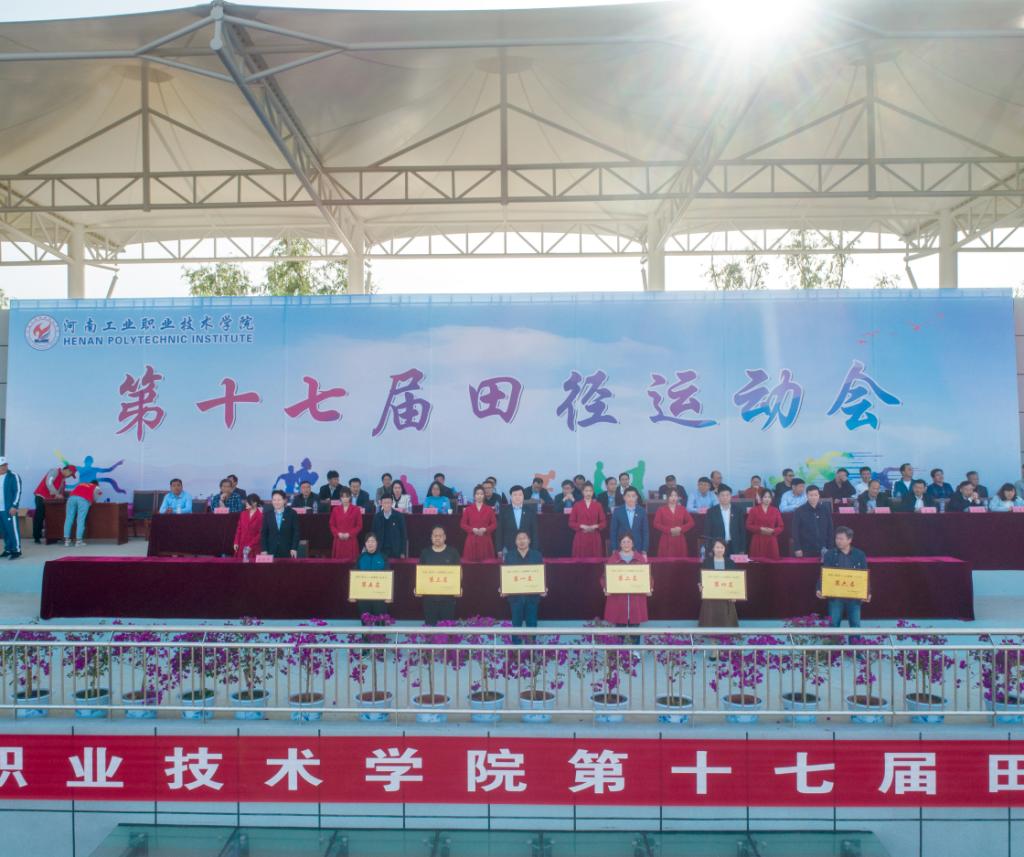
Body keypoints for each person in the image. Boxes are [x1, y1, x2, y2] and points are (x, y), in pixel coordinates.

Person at [816, 526, 870, 628]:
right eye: (837, 538)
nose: (838, 541)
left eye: (841, 539)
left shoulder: (859, 554)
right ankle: (833, 639)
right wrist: (819, 588)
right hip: (836, 596)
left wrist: (867, 592)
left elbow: (864, 576)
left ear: (849, 540)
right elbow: (824, 574)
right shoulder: (830, 554)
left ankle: (855, 639)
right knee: (833, 624)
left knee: (855, 625)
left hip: (854, 596)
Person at [602, 533, 650, 626]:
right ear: (620, 544)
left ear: (633, 544)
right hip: (618, 599)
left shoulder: (640, 558)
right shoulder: (613, 558)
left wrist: (649, 587)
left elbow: (647, 576)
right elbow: (605, 577)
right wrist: (606, 588)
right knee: (620, 629)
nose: (626, 544)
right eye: (623, 542)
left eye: (628, 542)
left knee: (634, 629)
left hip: (636, 599)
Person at [504, 529, 546, 632]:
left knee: (532, 624)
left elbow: (540, 573)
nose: (521, 541)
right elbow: (506, 575)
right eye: (519, 539)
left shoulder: (537, 555)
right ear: (515, 542)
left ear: (529, 540)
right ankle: (516, 642)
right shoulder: (509, 556)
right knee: (516, 625)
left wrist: (543, 587)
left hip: (532, 597)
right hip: (515, 597)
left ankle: (532, 643)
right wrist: (503, 587)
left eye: (524, 538)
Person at [418, 525, 461, 625]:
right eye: (435, 535)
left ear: (445, 537)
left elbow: (459, 571)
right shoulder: (425, 553)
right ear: (431, 537)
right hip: (429, 599)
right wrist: (418, 587)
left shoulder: (453, 552)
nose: (437, 538)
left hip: (448, 598)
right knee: (430, 627)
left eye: (440, 536)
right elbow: (420, 573)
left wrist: (458, 587)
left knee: (447, 628)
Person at [698, 538, 739, 628]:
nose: (719, 550)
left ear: (725, 549)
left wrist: (735, 594)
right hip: (710, 595)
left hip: (727, 595)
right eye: (717, 547)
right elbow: (701, 578)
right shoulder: (706, 562)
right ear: (713, 548)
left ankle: (727, 631)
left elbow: (735, 580)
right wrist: (700, 586)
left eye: (722, 547)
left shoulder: (730, 562)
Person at [32, 462, 76, 544]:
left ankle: (53, 536)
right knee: (39, 517)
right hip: (41, 496)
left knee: (51, 518)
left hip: (50, 501)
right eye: (71, 474)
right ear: (67, 470)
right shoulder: (55, 471)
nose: (70, 476)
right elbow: (49, 482)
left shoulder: (63, 480)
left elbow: (61, 492)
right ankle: (37, 537)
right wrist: (56, 494)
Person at [496, 485, 540, 557]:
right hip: (508, 547)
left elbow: (534, 532)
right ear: (511, 497)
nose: (517, 497)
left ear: (523, 496)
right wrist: (499, 549)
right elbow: (499, 531)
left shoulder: (530, 511)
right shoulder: (504, 511)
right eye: (515, 495)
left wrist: (534, 549)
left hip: (526, 548)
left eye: (520, 495)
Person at [354, 533, 390, 620]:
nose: (370, 544)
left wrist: (388, 595)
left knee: (380, 623)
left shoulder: (383, 557)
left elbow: (388, 577)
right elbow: (355, 577)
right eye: (368, 541)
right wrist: (353, 594)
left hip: (379, 597)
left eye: (373, 541)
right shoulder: (360, 558)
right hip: (363, 597)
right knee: (366, 622)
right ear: (365, 544)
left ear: (377, 543)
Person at [791, 485, 833, 558]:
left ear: (819, 496)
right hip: (806, 548)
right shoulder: (799, 511)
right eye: (811, 495)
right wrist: (797, 548)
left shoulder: (825, 509)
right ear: (807, 496)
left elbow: (830, 529)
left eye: (816, 495)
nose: (813, 497)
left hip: (823, 548)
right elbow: (795, 531)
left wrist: (830, 547)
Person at [703, 485, 747, 555]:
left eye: (727, 495)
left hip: (734, 545)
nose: (725, 497)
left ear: (731, 496)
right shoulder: (711, 512)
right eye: (722, 495)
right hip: (718, 547)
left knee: (734, 562)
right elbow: (708, 532)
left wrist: (742, 549)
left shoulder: (738, 510)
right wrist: (709, 549)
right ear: (718, 497)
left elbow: (742, 531)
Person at [569, 481, 607, 557]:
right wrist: (581, 526)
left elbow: (603, 522)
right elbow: (571, 522)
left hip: (594, 536)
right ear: (582, 492)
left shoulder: (598, 505)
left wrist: (595, 526)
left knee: (595, 560)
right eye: (586, 491)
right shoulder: (577, 505)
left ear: (593, 492)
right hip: (581, 536)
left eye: (590, 491)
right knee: (580, 560)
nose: (588, 493)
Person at [460, 485, 497, 560]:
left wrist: (485, 529)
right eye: (477, 494)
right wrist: (472, 529)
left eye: (481, 494)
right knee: (471, 563)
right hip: (472, 539)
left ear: (484, 496)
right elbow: (462, 524)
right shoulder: (468, 509)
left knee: (486, 563)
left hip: (485, 539)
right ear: (474, 496)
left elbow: (494, 524)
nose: (479, 496)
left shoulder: (489, 509)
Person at [653, 488, 694, 557]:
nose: (673, 498)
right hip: (666, 539)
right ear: (667, 497)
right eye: (671, 496)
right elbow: (656, 524)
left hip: (679, 538)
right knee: (666, 561)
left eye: (675, 496)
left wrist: (681, 528)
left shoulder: (682, 509)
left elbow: (691, 522)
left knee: (680, 561)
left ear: (678, 497)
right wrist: (669, 530)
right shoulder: (661, 510)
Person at [745, 488, 784, 559]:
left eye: (769, 497)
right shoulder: (754, 510)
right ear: (761, 498)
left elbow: (781, 526)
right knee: (757, 562)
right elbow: (748, 525)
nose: (767, 499)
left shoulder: (775, 510)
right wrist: (760, 529)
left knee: (772, 563)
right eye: (765, 497)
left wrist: (773, 531)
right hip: (758, 540)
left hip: (771, 539)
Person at [260, 490, 299, 558]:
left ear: (284, 501)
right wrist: (264, 549)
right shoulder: (267, 515)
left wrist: (294, 548)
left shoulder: (292, 513)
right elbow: (264, 534)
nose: (276, 502)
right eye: (274, 500)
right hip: (271, 550)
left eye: (279, 500)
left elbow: (296, 532)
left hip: (287, 550)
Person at [610, 487, 650, 553]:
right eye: (628, 496)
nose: (631, 498)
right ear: (624, 497)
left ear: (637, 497)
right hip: (621, 547)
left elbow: (645, 532)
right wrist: (614, 548)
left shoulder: (642, 511)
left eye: (633, 496)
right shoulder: (617, 511)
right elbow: (613, 531)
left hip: (638, 547)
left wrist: (644, 549)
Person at [63, 479, 100, 547]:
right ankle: (78, 541)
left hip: (71, 499)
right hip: (83, 500)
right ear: (97, 484)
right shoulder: (96, 487)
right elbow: (95, 499)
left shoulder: (81, 484)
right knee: (80, 519)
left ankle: (66, 541)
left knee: (68, 519)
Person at [330, 487, 363, 562]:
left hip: (351, 540)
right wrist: (338, 533)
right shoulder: (335, 509)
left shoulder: (356, 509)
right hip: (339, 540)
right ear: (340, 498)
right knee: (338, 564)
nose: (345, 499)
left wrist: (349, 534)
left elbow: (359, 526)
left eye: (347, 496)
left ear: (350, 497)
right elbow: (332, 525)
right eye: (343, 497)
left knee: (351, 563)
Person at [233, 493, 263, 559]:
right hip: (241, 545)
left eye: (248, 502)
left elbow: (260, 534)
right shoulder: (243, 514)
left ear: (255, 503)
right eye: (246, 502)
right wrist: (236, 542)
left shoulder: (261, 516)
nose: (246, 504)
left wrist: (250, 545)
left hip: (253, 547)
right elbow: (239, 529)